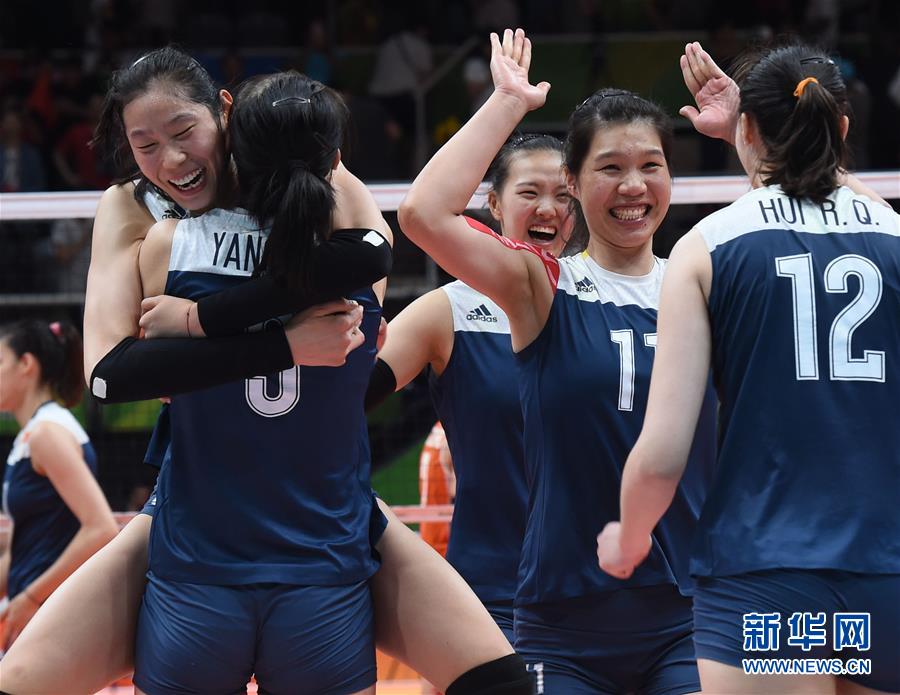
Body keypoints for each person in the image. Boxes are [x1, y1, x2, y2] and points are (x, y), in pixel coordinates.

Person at [0, 48, 529, 695]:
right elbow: (107, 376)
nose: (170, 161)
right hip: (208, 511)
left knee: (498, 677)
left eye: (182, 133)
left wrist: (201, 323)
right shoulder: (139, 209)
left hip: (315, 515)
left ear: (224, 111)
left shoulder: (289, 193)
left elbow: (369, 261)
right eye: (144, 145)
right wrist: (285, 341)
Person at [399, 29, 715, 694]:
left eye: (651, 165)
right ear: (573, 183)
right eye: (610, 167)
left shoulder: (709, 275)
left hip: (686, 613)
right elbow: (424, 214)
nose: (634, 185)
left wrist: (746, 130)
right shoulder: (540, 284)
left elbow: (844, 223)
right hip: (561, 623)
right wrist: (506, 103)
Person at [597, 41, 900, 695]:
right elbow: (840, 203)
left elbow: (663, 453)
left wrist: (628, 534)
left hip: (769, 574)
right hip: (887, 576)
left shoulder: (706, 247)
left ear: (748, 129)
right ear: (842, 128)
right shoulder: (894, 234)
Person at [369, 132, 574, 643]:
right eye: (530, 193)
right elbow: (338, 399)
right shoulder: (449, 311)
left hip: (606, 589)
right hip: (489, 596)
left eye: (564, 194)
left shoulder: (608, 299)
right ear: (494, 205)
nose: (548, 208)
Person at [0, 320, 117, 650]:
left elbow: (102, 528)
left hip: (51, 616)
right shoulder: (35, 433)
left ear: (26, 365)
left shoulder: (47, 434)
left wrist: (31, 597)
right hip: (36, 612)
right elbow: (27, 541)